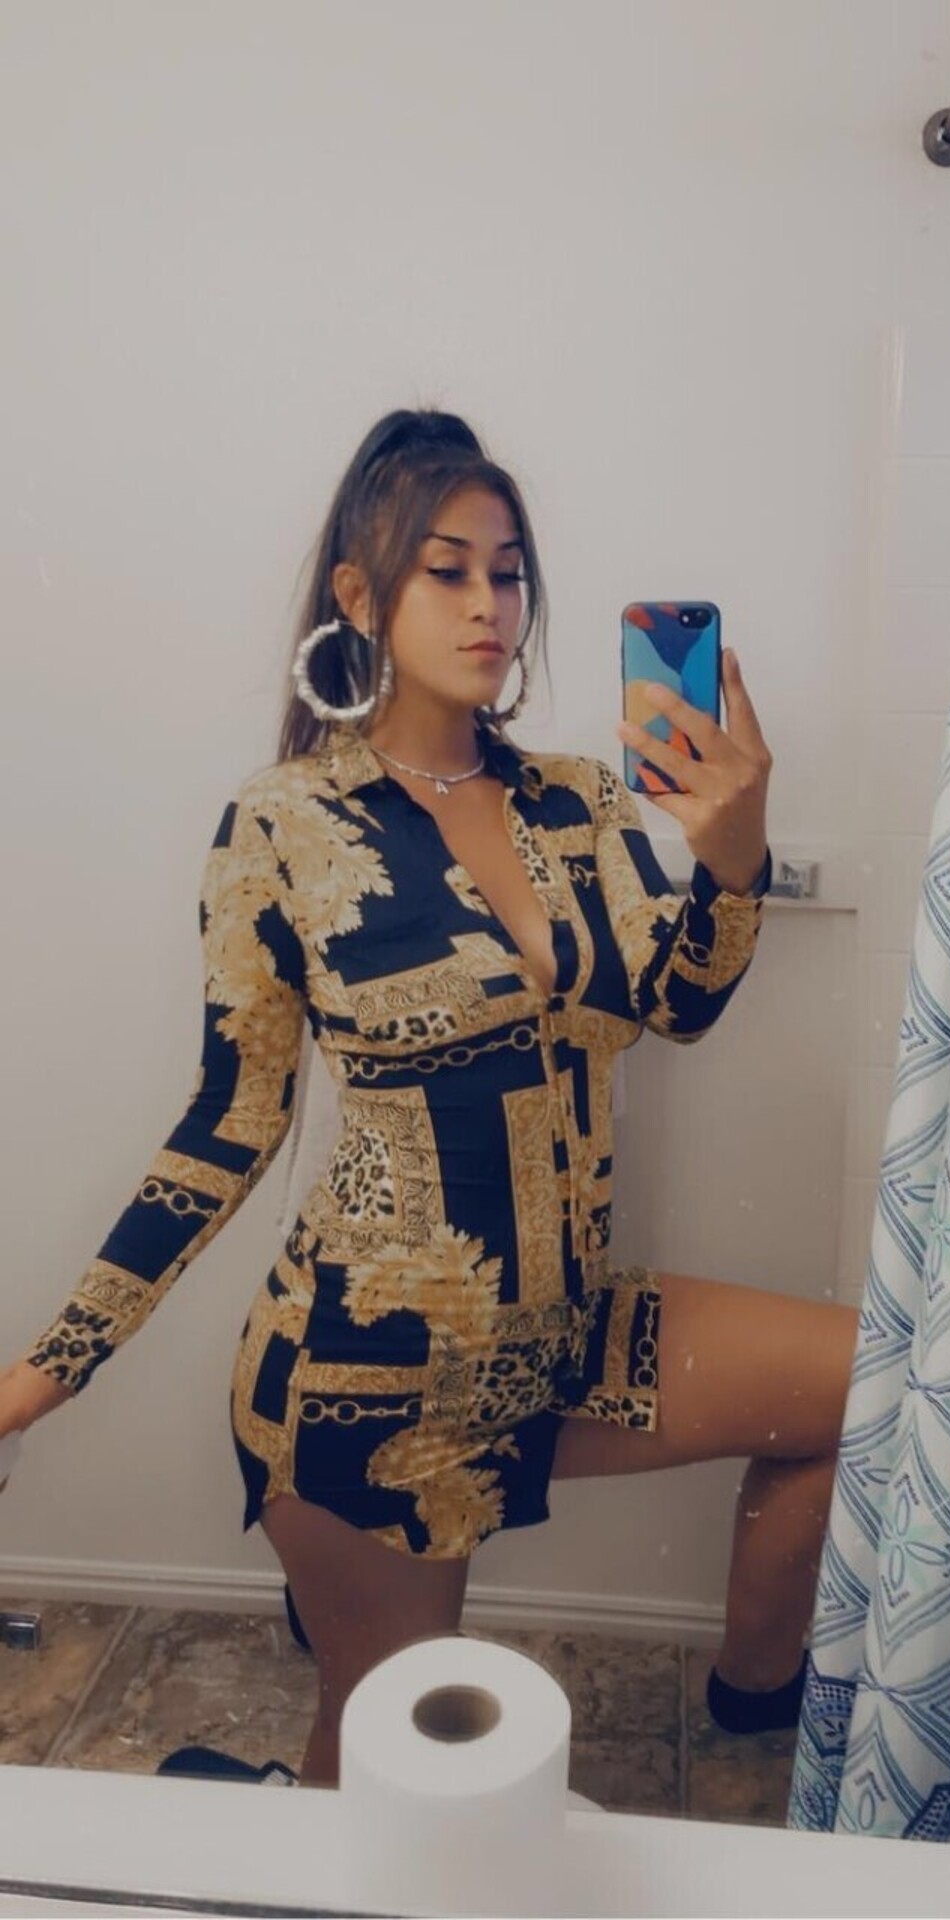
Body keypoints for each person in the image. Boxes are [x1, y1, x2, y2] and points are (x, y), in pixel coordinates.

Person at [0, 409, 859, 1788]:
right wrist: (40, 1376)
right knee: (386, 1783)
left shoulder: (578, 803)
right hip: (370, 1377)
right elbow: (229, 1125)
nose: (488, 606)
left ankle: (758, 1705)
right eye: (446, 570)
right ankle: (291, 1803)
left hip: (567, 1331)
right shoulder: (282, 826)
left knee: (871, 1388)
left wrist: (735, 859)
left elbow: (679, 1003)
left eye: (508, 574)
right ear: (360, 594)